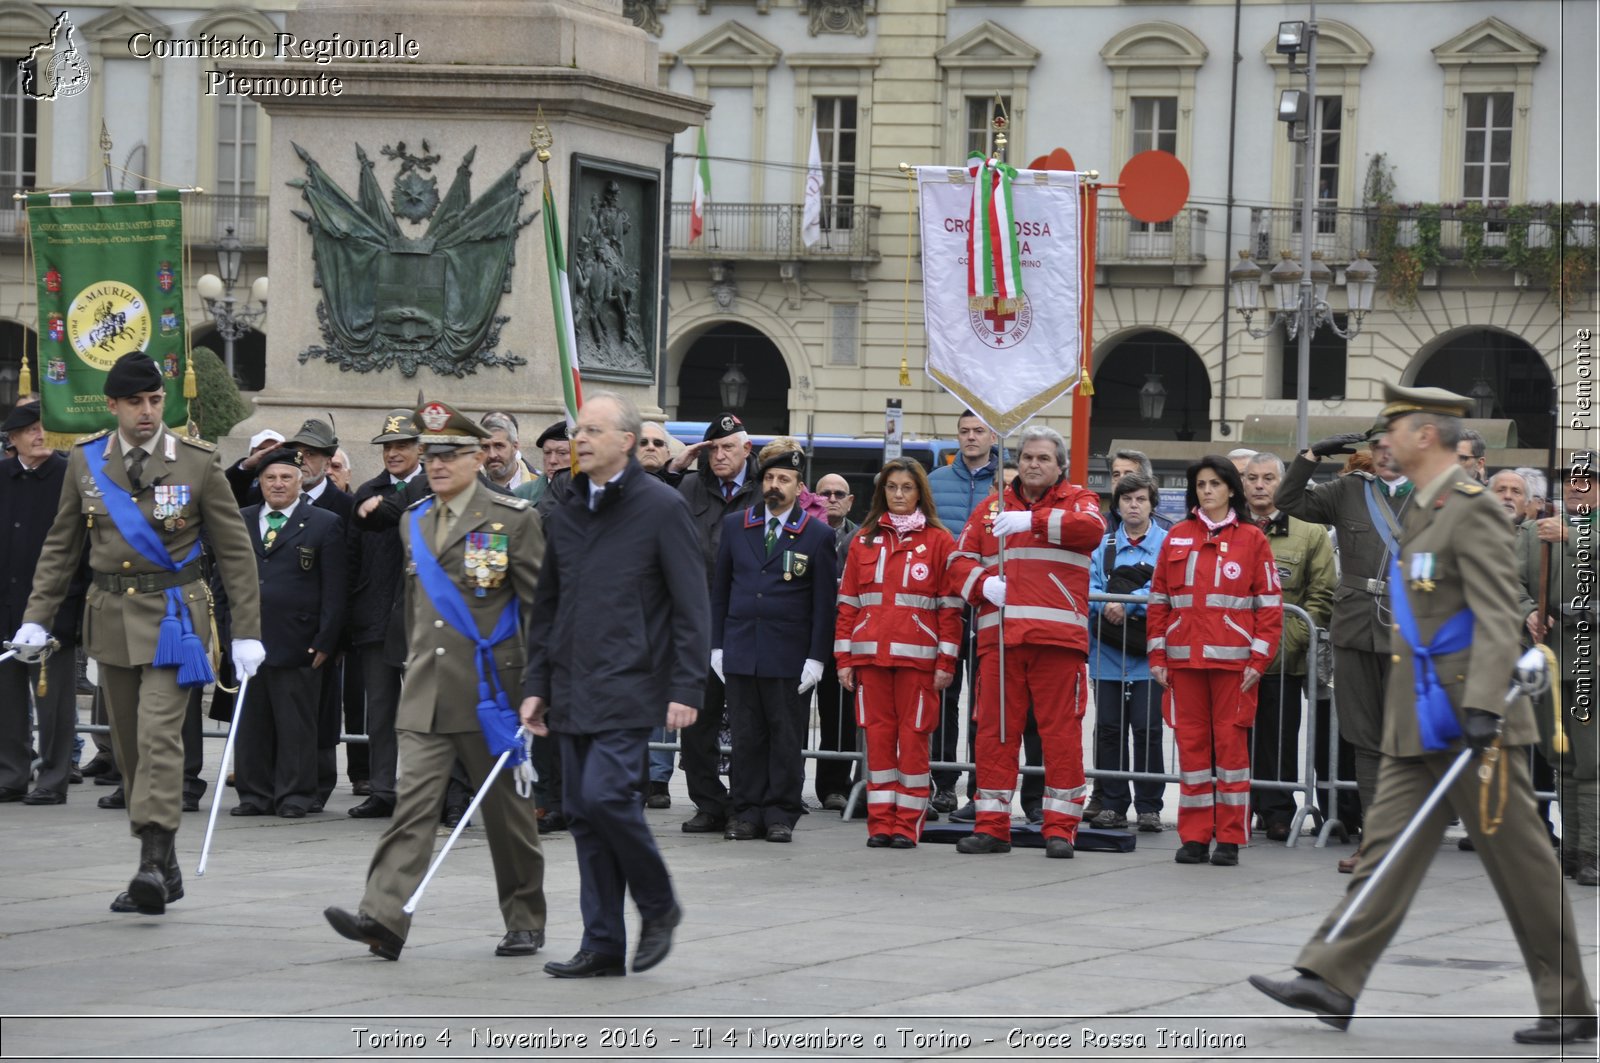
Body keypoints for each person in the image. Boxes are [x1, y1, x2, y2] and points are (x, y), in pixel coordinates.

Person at [1250, 385, 1596, 1047]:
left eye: (1395, 429)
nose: (1384, 441)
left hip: (1472, 720)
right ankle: (1332, 974)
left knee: (1521, 861)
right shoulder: (1421, 509)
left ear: (1426, 435)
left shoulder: (1471, 510)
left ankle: (1569, 999)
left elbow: (1497, 611)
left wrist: (1485, 704)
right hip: (1422, 715)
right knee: (1387, 848)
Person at [11, 352, 263, 915]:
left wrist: (246, 631)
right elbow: (61, 548)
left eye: (155, 400)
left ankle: (151, 860)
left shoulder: (196, 463)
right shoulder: (85, 462)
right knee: (126, 749)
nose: (148, 412)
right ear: (114, 406)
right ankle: (167, 865)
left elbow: (235, 552)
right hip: (110, 617)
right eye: (136, 403)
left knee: (158, 738)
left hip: (176, 620)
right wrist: (37, 615)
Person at [324, 400, 546, 962]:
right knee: (412, 809)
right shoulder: (413, 519)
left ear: (477, 457)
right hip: (427, 689)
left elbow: (539, 608)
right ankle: (383, 917)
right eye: (432, 454)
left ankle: (524, 917)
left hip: (492, 692)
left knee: (507, 816)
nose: (438, 463)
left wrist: (539, 688)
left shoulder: (512, 520)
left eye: (451, 453)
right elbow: (418, 609)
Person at [520, 390, 708, 977]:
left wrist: (687, 686)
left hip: (631, 684)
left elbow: (691, 604)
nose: (581, 439)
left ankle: (659, 905)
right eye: (579, 431)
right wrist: (537, 681)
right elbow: (549, 602)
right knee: (581, 812)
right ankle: (602, 944)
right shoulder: (569, 505)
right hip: (572, 685)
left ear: (626, 442)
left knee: (606, 799)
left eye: (595, 431)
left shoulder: (660, 507)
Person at [946, 424, 1106, 858]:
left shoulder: (1079, 501)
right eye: (1029, 457)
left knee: (1061, 738)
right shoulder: (991, 507)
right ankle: (992, 827)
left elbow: (1090, 531)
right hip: (1001, 640)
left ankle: (1060, 829)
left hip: (1057, 641)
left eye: (1044, 459)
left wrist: (1032, 520)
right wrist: (981, 585)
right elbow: (958, 561)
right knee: (995, 736)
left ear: (1060, 467)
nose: (1034, 465)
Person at [1277, 428, 1414, 871]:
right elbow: (1289, 502)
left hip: (1413, 630)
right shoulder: (1350, 490)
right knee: (1364, 738)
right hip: (1355, 627)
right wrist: (1312, 455)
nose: (1386, 454)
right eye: (1378, 447)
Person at [1146, 456, 1282, 867]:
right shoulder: (1177, 536)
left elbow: (1270, 606)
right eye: (1201, 484)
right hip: (1184, 664)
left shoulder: (1253, 539)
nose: (1207, 491)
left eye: (1215, 484)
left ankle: (1229, 838)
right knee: (1191, 752)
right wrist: (1157, 655)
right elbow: (1159, 602)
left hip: (1234, 668)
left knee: (1231, 753)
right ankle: (1193, 836)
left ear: (1230, 490)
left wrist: (1258, 660)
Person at [711, 447, 836, 843]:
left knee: (784, 737)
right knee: (746, 737)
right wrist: (717, 645)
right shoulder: (736, 526)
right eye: (769, 479)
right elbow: (720, 591)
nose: (774, 486)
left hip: (788, 655)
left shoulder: (817, 535)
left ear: (799, 488)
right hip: (742, 649)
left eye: (783, 480)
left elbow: (822, 604)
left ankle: (781, 812)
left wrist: (816, 658)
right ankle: (745, 811)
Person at [835, 458, 960, 847]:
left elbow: (950, 610)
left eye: (907, 487)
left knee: (915, 742)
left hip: (918, 662)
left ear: (920, 492)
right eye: (892, 487)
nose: (899, 495)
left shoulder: (941, 541)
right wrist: (844, 659)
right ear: (881, 492)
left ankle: (907, 825)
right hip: (871, 660)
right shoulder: (863, 539)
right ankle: (880, 824)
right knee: (879, 742)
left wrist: (946, 661)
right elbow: (848, 604)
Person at [232, 449, 347, 818]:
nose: (278, 484)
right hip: (250, 638)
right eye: (270, 478)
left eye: (286, 478)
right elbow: (225, 579)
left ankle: (295, 795)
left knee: (296, 724)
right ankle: (254, 794)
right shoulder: (242, 520)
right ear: (260, 483)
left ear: (301, 482)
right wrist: (227, 633)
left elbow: (334, 588)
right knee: (251, 722)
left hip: (299, 641)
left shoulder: (323, 522)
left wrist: (326, 639)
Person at [670, 412, 759, 835]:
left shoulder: (766, 489)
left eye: (728, 448)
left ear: (747, 450)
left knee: (746, 720)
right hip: (698, 620)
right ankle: (707, 803)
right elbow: (650, 511)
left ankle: (744, 803)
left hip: (745, 622)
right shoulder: (688, 487)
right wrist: (676, 467)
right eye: (713, 449)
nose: (720, 456)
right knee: (697, 721)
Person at [1241, 451, 1334, 842]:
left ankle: (1277, 810)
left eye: (1268, 478)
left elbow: (1321, 595)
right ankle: (1236, 808)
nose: (1260, 486)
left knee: (1278, 739)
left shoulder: (1310, 530)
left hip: (1282, 657)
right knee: (1234, 737)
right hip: (1233, 655)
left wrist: (1287, 641)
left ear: (1282, 484)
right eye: (1252, 479)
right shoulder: (1230, 527)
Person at [925, 409, 1011, 821]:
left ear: (992, 436)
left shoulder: (1007, 487)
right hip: (947, 605)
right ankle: (942, 783)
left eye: (978, 431)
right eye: (964, 431)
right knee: (945, 694)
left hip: (992, 606)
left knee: (986, 701)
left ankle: (981, 785)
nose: (971, 437)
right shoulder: (936, 482)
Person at [1516, 453, 1597, 886]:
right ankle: (1572, 848)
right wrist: (1529, 611)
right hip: (1550, 658)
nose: (1575, 487)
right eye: (1569, 481)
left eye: (1586, 482)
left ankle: (1593, 850)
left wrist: (1575, 538)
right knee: (1559, 757)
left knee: (1591, 761)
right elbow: (1510, 582)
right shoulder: (1533, 533)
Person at [0, 401, 86, 805]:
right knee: (8, 702)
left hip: (53, 612)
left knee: (53, 704)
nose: (39, 435)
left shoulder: (70, 476)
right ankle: (12, 773)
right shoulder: (2, 475)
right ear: (12, 439)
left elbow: (80, 551)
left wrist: (68, 608)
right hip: (5, 608)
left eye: (44, 428)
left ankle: (54, 776)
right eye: (30, 429)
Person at [1086, 472, 1167, 832]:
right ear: (1116, 506)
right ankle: (1114, 803)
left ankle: (1149, 805)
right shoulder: (1101, 546)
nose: (1134, 506)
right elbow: (1088, 585)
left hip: (1148, 654)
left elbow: (1166, 589)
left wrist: (1128, 602)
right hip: (1107, 652)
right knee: (1108, 729)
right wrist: (1104, 605)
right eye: (1127, 500)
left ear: (1152, 504)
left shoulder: (1167, 544)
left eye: (1141, 500)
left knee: (1147, 729)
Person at [812, 471, 860, 811]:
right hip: (801, 635)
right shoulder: (800, 531)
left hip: (842, 638)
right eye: (825, 493)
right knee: (792, 718)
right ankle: (789, 782)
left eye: (838, 493)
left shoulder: (861, 539)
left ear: (850, 500)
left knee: (840, 717)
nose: (831, 498)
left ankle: (835, 786)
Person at [514, 421, 571, 508]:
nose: (552, 461)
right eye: (547, 453)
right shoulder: (521, 495)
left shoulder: (592, 493)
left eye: (562, 453)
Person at [480, 411, 531, 492]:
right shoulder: (467, 487)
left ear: (515, 446)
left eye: (498, 446)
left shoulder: (539, 488)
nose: (492, 455)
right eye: (485, 447)